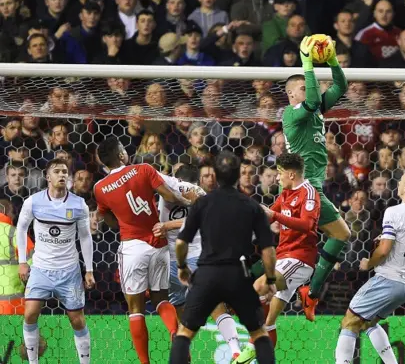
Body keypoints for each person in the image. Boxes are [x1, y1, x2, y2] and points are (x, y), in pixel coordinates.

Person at [169, 151, 277, 364]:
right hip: (239, 274)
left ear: (216, 176)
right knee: (259, 333)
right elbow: (268, 250)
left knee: (185, 333)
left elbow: (181, 242)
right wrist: (271, 279)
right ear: (238, 175)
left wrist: (182, 266)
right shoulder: (252, 207)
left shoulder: (202, 203)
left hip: (207, 274)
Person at [93, 137, 193, 364]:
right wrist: (186, 203)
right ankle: (174, 332)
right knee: (161, 298)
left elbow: (108, 219)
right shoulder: (143, 169)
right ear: (120, 155)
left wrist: (122, 218)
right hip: (158, 242)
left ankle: (144, 362)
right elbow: (168, 195)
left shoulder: (100, 188)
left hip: (132, 246)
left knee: (135, 308)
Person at [276, 35, 350, 321]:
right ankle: (311, 291)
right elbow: (310, 99)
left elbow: (341, 85)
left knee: (291, 249)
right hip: (305, 189)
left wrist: (331, 61)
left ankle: (307, 291)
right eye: (306, 87)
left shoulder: (316, 109)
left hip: (310, 188)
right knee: (340, 234)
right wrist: (307, 62)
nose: (316, 91)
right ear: (292, 94)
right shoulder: (292, 114)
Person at [335, 167, 405, 364]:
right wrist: (401, 245)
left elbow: (384, 249)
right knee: (369, 322)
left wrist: (368, 264)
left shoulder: (394, 211)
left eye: (401, 179)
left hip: (388, 279)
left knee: (350, 322)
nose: (397, 182)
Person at [155, 163, 246, 362]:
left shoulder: (166, 187)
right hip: (197, 257)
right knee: (216, 305)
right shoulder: (201, 195)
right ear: (198, 180)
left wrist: (168, 224)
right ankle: (235, 349)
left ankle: (183, 353)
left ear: (176, 177)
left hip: (170, 260)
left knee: (179, 308)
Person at [236, 152, 320, 364]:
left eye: (280, 173)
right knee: (269, 322)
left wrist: (275, 216)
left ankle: (250, 346)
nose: (277, 177)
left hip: (300, 259)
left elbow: (308, 225)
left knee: (260, 286)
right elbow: (268, 214)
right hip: (283, 256)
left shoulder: (308, 193)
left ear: (291, 174)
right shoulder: (285, 193)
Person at [16, 158, 95, 364]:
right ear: (47, 176)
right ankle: (33, 363)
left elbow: (86, 237)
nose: (62, 175)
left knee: (77, 319)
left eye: (64, 171)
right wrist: (23, 261)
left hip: (69, 270)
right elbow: (21, 229)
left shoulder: (79, 204)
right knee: (30, 314)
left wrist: (89, 270)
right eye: (57, 171)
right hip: (41, 268)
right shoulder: (33, 202)